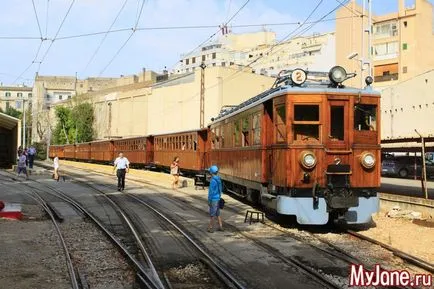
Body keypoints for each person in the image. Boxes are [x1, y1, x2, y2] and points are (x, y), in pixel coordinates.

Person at [207, 165, 223, 233]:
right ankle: (220, 226)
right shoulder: (219, 179)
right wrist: (219, 196)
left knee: (212, 214)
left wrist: (209, 200)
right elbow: (220, 189)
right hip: (218, 198)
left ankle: (210, 228)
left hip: (213, 199)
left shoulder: (213, 181)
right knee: (218, 213)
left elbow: (211, 192)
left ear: (211, 172)